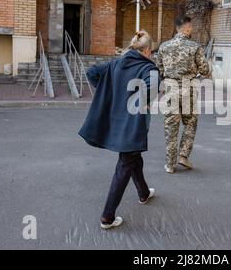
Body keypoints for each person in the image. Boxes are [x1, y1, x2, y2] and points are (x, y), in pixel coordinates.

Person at [78, 30, 160, 230]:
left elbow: (92, 73)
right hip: (134, 123)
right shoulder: (151, 69)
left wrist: (112, 94)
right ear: (148, 50)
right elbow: (150, 90)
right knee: (126, 163)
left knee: (132, 156)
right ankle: (107, 217)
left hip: (117, 120)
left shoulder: (116, 63)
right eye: (152, 51)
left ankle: (143, 193)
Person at [157, 15, 211, 174]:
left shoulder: (164, 46)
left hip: (171, 89)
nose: (192, 29)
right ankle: (183, 155)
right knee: (190, 123)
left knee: (170, 127)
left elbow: (159, 68)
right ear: (187, 28)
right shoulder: (195, 47)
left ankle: (170, 165)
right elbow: (205, 70)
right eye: (191, 27)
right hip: (189, 89)